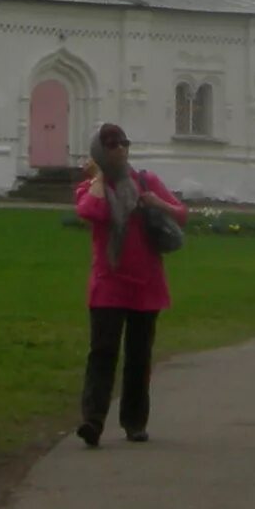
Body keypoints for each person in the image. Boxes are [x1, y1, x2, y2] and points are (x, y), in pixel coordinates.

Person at [71, 122, 187, 447]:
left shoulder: (146, 182)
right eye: (111, 144)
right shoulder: (92, 187)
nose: (120, 149)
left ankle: (134, 422)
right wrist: (97, 177)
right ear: (99, 151)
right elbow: (91, 212)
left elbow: (181, 214)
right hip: (108, 283)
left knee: (139, 356)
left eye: (123, 142)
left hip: (146, 284)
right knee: (102, 353)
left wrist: (155, 203)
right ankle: (92, 421)